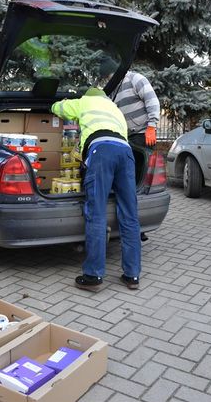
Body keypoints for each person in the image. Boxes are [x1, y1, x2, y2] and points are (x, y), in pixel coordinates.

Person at [51, 87, 141, 292]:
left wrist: (54, 103)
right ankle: (132, 275)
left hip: (101, 151)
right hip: (126, 153)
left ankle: (93, 275)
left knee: (97, 213)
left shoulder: (84, 102)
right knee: (130, 215)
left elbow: (59, 108)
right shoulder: (115, 108)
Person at [100, 58, 160, 241]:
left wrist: (152, 126)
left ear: (116, 72)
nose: (108, 79)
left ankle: (138, 227)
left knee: (138, 183)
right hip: (125, 139)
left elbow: (152, 101)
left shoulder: (135, 79)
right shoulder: (113, 91)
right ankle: (133, 224)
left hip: (143, 136)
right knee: (129, 183)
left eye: (109, 76)